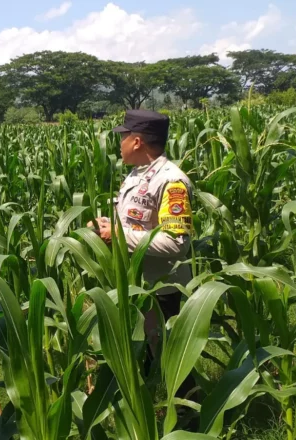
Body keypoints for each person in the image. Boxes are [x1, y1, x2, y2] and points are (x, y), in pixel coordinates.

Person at [93, 110, 197, 399]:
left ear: (137, 142)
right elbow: (132, 222)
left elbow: (177, 243)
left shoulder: (171, 182)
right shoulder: (137, 175)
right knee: (150, 356)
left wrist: (118, 236)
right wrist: (105, 224)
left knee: (171, 360)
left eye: (123, 137)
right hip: (136, 284)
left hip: (159, 289)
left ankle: (192, 418)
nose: (120, 143)